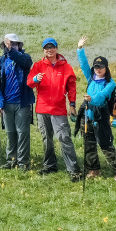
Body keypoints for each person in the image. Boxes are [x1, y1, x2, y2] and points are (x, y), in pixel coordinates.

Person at [27, 38, 80, 182]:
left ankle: (74, 170)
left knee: (64, 138)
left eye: (52, 47)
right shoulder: (38, 66)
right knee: (47, 139)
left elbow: (72, 87)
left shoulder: (66, 67)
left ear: (56, 48)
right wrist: (35, 79)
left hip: (58, 109)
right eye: (46, 48)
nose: (49, 50)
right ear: (43, 50)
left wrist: (72, 105)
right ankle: (50, 165)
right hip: (42, 108)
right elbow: (29, 83)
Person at [74, 36, 116, 181]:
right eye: (96, 67)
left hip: (101, 116)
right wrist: (80, 49)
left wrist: (92, 99)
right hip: (87, 116)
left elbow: (103, 96)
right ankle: (94, 170)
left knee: (106, 145)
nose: (98, 69)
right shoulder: (90, 78)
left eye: (101, 67)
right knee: (89, 144)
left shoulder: (110, 83)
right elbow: (83, 64)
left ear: (106, 68)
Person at [0, 33, 34, 170]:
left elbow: (23, 61)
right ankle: (11, 160)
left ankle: (23, 162)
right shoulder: (0, 62)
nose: (11, 46)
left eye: (14, 44)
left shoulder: (25, 58)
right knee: (10, 133)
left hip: (22, 102)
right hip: (6, 104)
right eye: (8, 44)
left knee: (22, 133)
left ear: (18, 46)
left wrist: (11, 50)